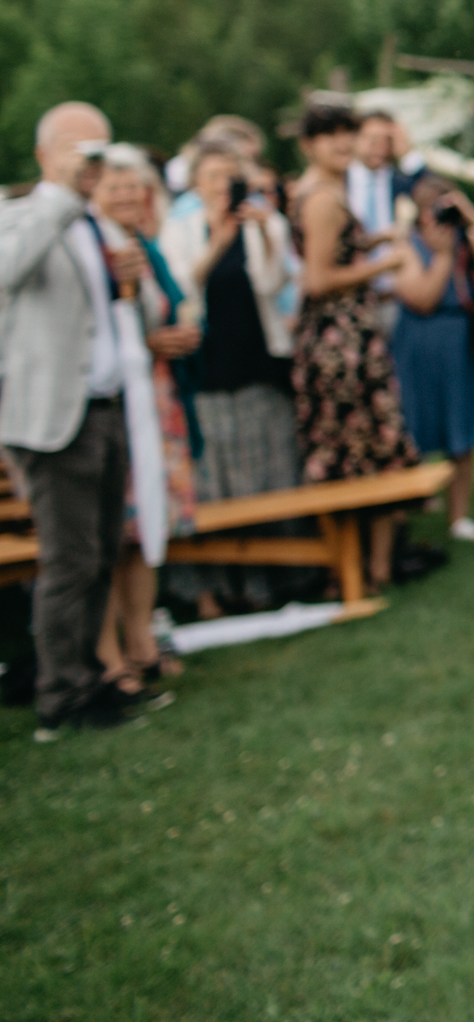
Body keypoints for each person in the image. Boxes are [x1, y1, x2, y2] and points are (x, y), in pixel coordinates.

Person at [0, 102, 171, 737]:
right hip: (52, 419)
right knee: (68, 561)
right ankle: (59, 699)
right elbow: (8, 272)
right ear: (47, 155)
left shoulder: (99, 228)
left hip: (108, 408)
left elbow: (142, 319)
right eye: (82, 153)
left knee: (100, 552)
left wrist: (132, 279)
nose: (95, 165)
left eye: (101, 151)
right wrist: (60, 195)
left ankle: (92, 678)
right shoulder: (20, 214)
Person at [158, 140, 303, 613]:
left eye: (230, 176)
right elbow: (179, 292)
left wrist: (262, 235)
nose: (223, 186)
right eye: (213, 177)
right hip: (209, 368)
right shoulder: (178, 231)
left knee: (267, 468)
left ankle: (277, 579)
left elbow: (273, 283)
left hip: (258, 361)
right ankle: (220, 584)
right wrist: (217, 240)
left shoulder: (268, 224)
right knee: (218, 478)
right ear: (196, 185)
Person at [291, 103, 420, 592]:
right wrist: (385, 264)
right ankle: (360, 570)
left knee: (356, 445)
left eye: (349, 134)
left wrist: (372, 241)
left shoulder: (314, 191)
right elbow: (319, 279)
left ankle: (366, 569)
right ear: (309, 145)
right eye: (330, 137)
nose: (342, 144)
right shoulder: (323, 198)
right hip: (338, 337)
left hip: (339, 332)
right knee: (355, 447)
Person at [88, 146, 200, 695]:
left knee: (146, 526)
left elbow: (173, 303)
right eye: (116, 188)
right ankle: (109, 651)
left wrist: (179, 331)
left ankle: (142, 639)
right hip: (117, 400)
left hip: (157, 396)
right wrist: (150, 339)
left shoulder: (145, 247)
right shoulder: (93, 248)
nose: (129, 197)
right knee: (115, 526)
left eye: (136, 188)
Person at [391, 175, 474, 542]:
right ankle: (410, 509)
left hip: (464, 337)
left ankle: (459, 516)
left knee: (463, 430)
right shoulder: (404, 244)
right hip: (420, 341)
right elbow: (422, 298)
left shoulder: (465, 236)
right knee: (413, 424)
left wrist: (471, 216)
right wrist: (442, 256)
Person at [345, 111, 420, 333]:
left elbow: (440, 194)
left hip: (394, 298)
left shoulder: (404, 182)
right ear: (356, 139)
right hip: (349, 295)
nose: (379, 147)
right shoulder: (339, 182)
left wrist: (407, 153)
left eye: (387, 140)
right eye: (372, 139)